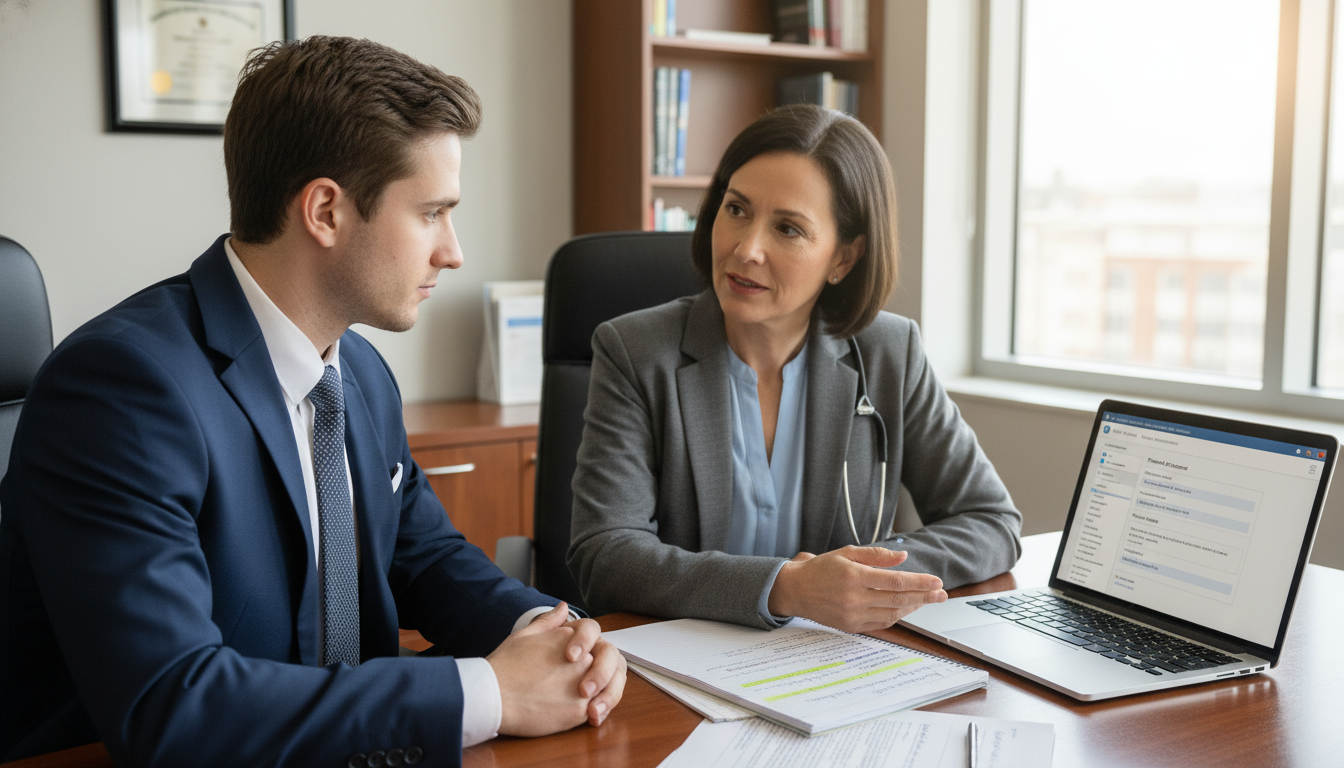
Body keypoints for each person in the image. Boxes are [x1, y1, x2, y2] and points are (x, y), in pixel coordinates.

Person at [0, 36, 624, 766]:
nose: (452, 251)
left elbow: (425, 560)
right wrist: (488, 693)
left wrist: (557, 634)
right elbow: (172, 703)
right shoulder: (121, 391)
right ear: (325, 211)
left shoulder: (358, 373)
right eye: (431, 213)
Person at [568, 104, 1022, 634]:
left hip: (830, 662)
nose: (746, 248)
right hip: (683, 660)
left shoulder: (889, 353)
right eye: (736, 209)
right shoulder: (637, 351)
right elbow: (606, 555)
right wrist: (785, 588)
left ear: (843, 260)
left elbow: (992, 523)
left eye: (788, 228)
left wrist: (863, 581)